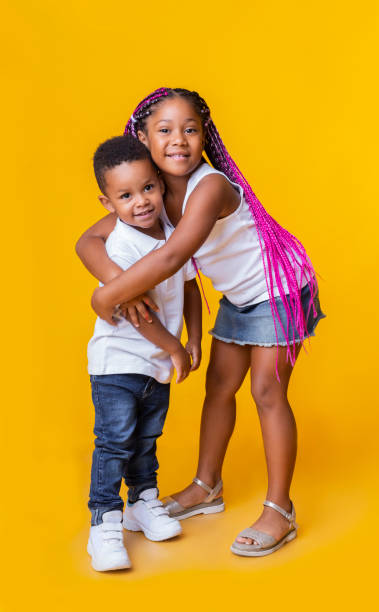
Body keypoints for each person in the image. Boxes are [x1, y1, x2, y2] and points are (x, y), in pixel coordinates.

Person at [76, 88, 325, 558]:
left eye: (191, 129)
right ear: (142, 138)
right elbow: (90, 239)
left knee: (266, 392)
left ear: (205, 136)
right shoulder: (149, 191)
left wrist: (107, 295)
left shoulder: (209, 187)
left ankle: (280, 509)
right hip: (239, 294)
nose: (179, 141)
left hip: (280, 288)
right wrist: (115, 282)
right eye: (165, 130)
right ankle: (206, 486)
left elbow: (173, 255)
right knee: (218, 388)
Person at [83, 134, 202, 571]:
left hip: (155, 366)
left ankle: (142, 504)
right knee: (115, 442)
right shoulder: (122, 245)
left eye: (148, 188)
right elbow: (139, 315)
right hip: (118, 363)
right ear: (107, 202)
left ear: (159, 183)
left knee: (146, 440)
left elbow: (190, 285)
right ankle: (104, 521)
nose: (141, 202)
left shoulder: (174, 234)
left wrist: (193, 339)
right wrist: (174, 347)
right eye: (126, 196)